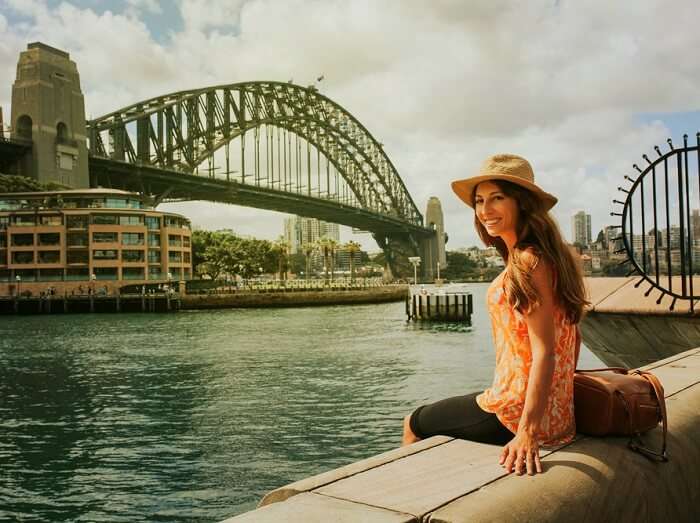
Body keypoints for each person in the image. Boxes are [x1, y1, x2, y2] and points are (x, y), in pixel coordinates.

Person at [402, 154, 588, 477]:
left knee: (413, 422)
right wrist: (559, 401)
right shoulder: (551, 258)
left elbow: (545, 351)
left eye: (497, 198)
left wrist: (528, 432)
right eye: (479, 201)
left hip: (512, 414)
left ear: (522, 202)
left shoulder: (528, 263)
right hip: (558, 418)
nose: (485, 210)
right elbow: (573, 337)